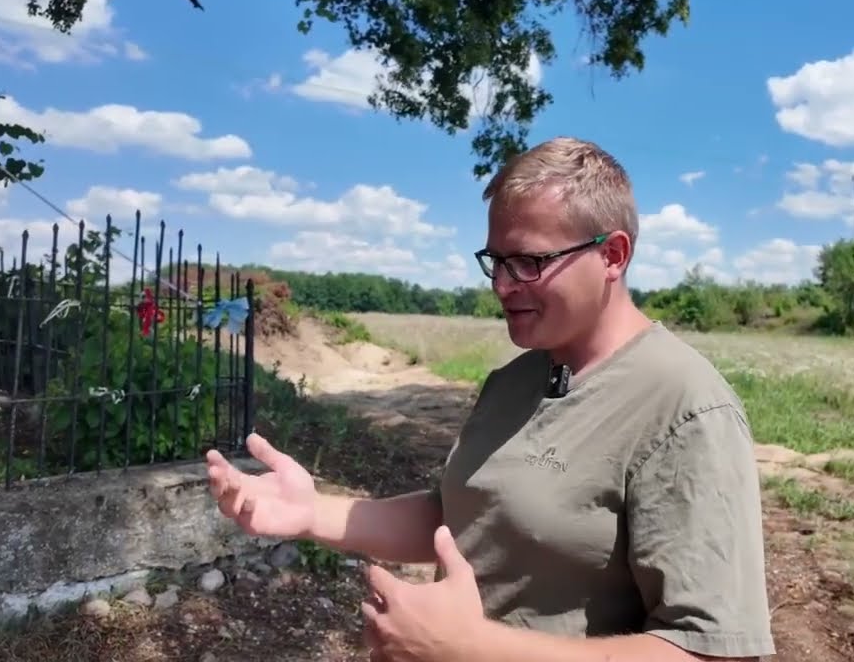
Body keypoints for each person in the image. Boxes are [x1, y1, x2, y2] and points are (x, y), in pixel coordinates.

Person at [206, 136, 776, 662]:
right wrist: (312, 512)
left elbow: (714, 652)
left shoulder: (686, 408)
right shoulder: (516, 380)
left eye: (529, 262)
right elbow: (464, 516)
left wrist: (470, 648)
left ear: (612, 255)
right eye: (496, 262)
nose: (503, 286)